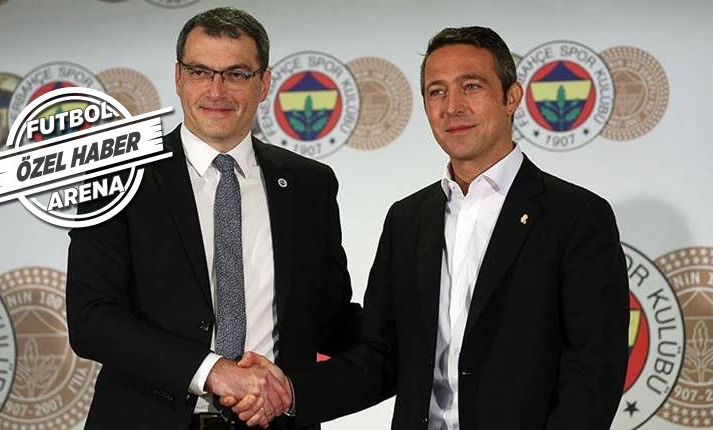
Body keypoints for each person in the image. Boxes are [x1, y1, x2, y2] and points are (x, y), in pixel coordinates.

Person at [236, 26, 629, 429]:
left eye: (471, 86)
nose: (452, 107)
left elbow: (594, 371)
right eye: (437, 92)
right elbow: (383, 356)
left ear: (512, 97)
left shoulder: (576, 216)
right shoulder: (407, 219)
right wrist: (290, 392)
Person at [66, 7, 360, 430]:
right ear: (178, 77)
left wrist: (421, 325)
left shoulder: (309, 184)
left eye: (236, 74)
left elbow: (329, 319)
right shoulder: (115, 175)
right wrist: (212, 371)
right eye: (201, 72)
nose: (216, 90)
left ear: (264, 83)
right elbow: (92, 319)